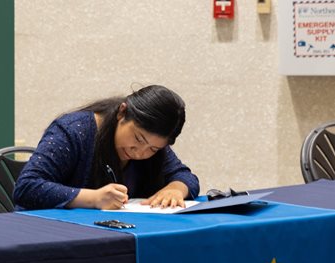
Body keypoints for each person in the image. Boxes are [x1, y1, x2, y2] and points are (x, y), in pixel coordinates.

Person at [13, 85, 199, 210]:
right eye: (138, 139)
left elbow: (185, 176)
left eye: (153, 149)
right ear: (122, 112)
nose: (140, 152)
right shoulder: (74, 130)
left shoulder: (152, 145)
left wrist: (175, 189)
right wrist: (93, 199)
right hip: (49, 236)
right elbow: (27, 187)